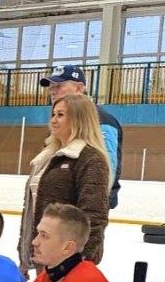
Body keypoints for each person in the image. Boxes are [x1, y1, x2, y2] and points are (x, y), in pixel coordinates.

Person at [19, 93, 110, 273]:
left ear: (79, 119)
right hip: (44, 254)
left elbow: (94, 214)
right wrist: (26, 252)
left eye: (60, 115)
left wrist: (78, 262)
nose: (53, 120)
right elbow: (31, 209)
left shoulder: (90, 159)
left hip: (66, 260)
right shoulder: (47, 157)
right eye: (53, 114)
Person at [40, 65, 123, 208]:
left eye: (59, 86)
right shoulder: (59, 122)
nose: (52, 91)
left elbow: (107, 167)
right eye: (51, 87)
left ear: (79, 88)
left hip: (82, 206)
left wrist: (95, 205)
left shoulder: (102, 120)